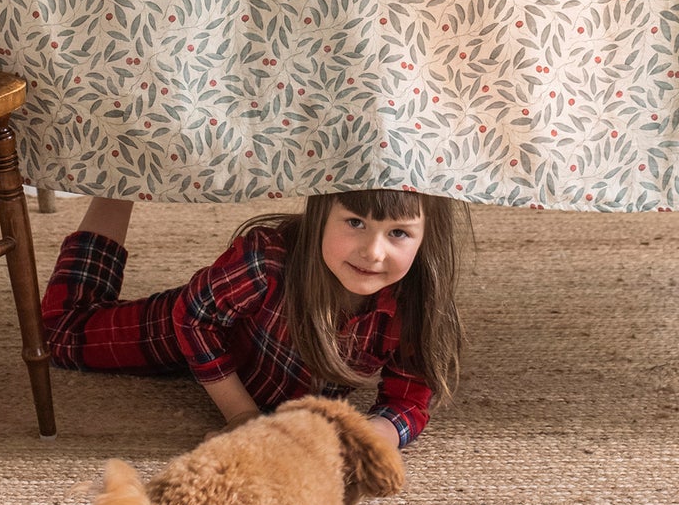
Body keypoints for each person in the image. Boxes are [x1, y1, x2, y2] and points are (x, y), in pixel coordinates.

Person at [40, 188, 464, 452]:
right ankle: (117, 187)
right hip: (208, 332)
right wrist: (241, 415)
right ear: (321, 215)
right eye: (355, 222)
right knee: (58, 336)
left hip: (262, 370)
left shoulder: (414, 302)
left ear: (425, 239)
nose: (373, 252)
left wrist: (371, 438)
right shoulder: (266, 261)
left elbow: (408, 399)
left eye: (398, 234)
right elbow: (192, 318)